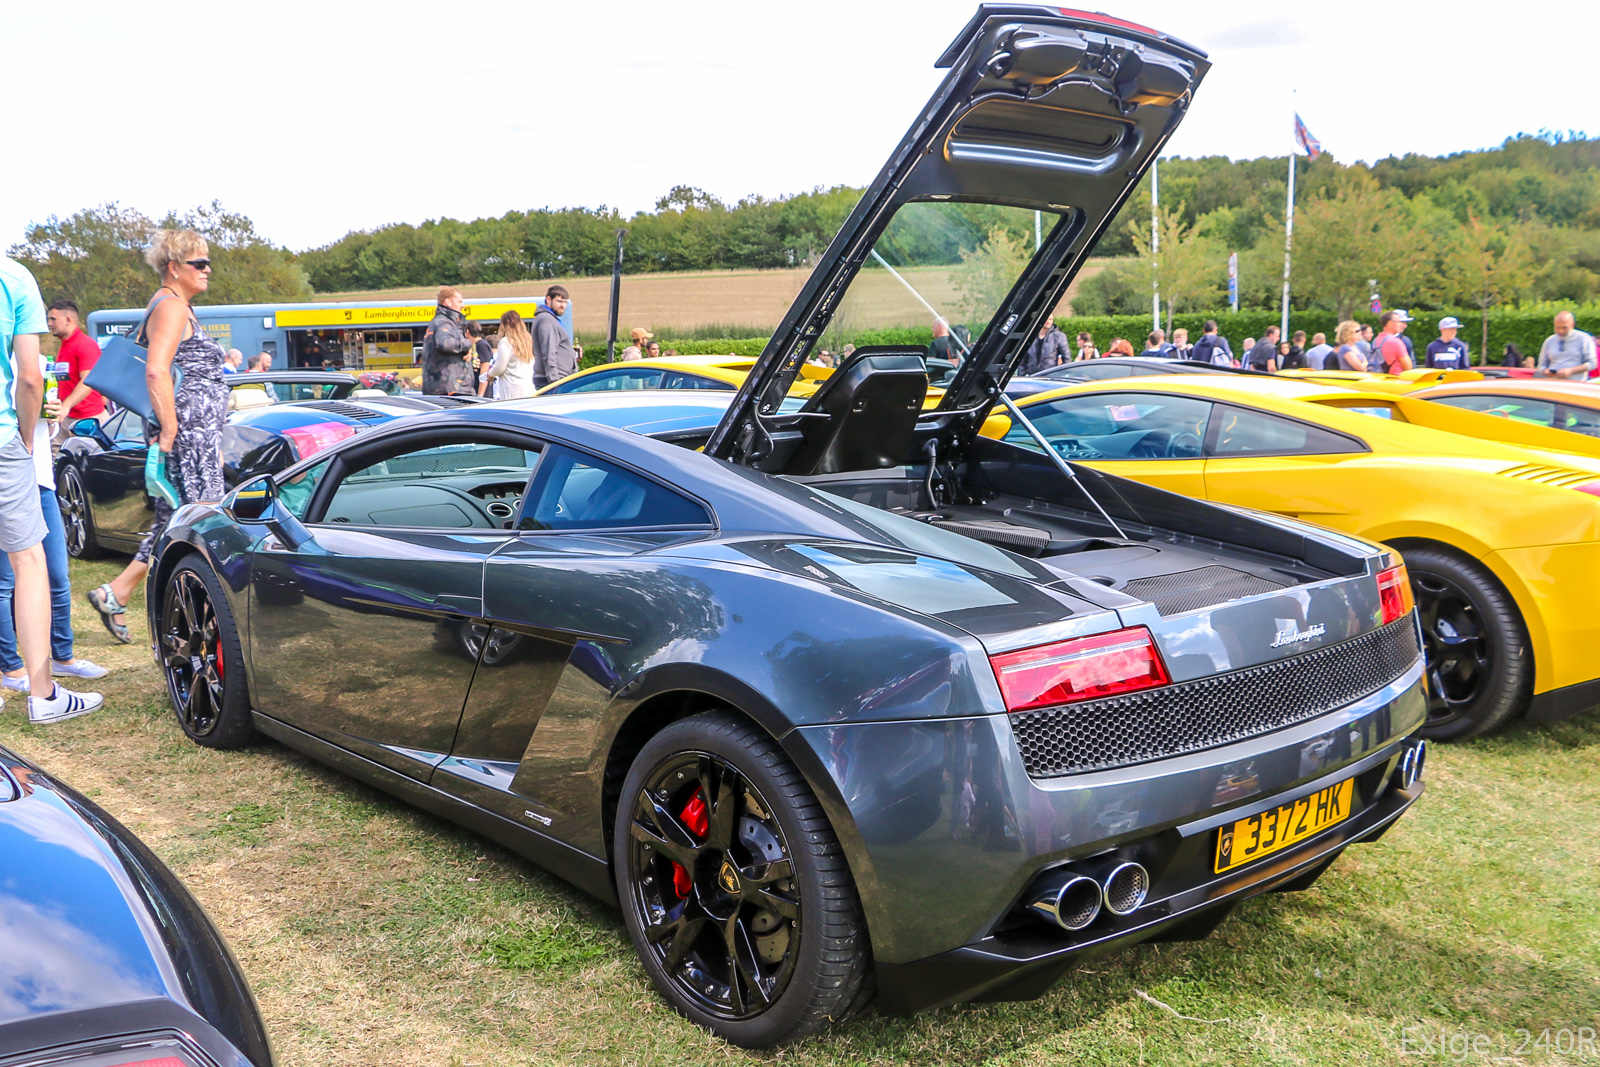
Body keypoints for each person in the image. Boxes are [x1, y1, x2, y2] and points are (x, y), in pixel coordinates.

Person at [85, 230, 231, 648]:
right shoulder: (171, 307)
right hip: (185, 433)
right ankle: (196, 612)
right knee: (196, 520)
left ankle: (117, 593)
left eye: (208, 262)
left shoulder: (174, 304)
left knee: (174, 516)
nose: (207, 270)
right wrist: (170, 430)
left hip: (195, 433)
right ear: (174, 267)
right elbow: (156, 370)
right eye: (198, 263)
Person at [2, 257, 104, 722]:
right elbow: (28, 376)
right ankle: (42, 695)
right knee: (29, 563)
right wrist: (24, 438)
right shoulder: (13, 277)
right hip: (4, 439)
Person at [45, 300, 105, 435]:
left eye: (53, 319)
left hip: (88, 419)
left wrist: (66, 406)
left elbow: (88, 381)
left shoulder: (84, 344)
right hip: (65, 419)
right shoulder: (65, 345)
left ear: (68, 319)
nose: (49, 323)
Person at [421, 287, 475, 395]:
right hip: (450, 389)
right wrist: (468, 344)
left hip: (445, 387)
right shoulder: (444, 323)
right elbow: (446, 343)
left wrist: (465, 350)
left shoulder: (443, 322)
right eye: (459, 301)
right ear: (448, 302)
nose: (463, 306)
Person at [479, 310, 536, 400]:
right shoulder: (527, 341)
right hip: (529, 387)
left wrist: (489, 375)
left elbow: (499, 368)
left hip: (512, 389)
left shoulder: (506, 341)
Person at [530, 285, 577, 389]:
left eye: (565, 302)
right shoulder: (546, 320)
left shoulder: (550, 319)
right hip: (553, 382)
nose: (563, 306)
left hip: (558, 380)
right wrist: (555, 383)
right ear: (548, 299)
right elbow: (549, 352)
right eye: (559, 301)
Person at [1536, 311, 1597, 380]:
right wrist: (1545, 371)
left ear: (1572, 325)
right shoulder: (1549, 341)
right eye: (1557, 328)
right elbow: (1541, 365)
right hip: (1553, 384)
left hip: (1576, 385)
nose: (1560, 331)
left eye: (1564, 328)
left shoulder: (1584, 339)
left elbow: (1592, 363)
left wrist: (1571, 371)